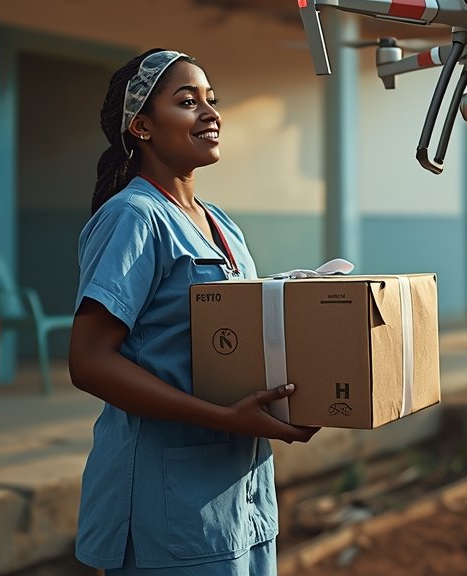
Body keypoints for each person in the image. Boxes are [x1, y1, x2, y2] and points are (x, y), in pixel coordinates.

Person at [68, 49, 318, 575]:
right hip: (168, 502)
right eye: (187, 102)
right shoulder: (133, 217)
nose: (211, 113)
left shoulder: (219, 222)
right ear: (141, 127)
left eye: (212, 99)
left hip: (239, 494)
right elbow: (89, 362)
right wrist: (224, 418)